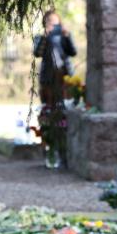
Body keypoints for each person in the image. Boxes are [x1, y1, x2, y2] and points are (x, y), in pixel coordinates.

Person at [32, 10, 77, 168]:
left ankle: (66, 152)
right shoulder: (41, 37)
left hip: (65, 79)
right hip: (48, 81)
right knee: (48, 113)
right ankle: (50, 152)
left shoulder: (63, 35)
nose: (53, 25)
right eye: (49, 22)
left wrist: (67, 36)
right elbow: (37, 52)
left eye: (55, 22)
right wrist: (45, 36)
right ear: (45, 23)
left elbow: (73, 52)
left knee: (65, 113)